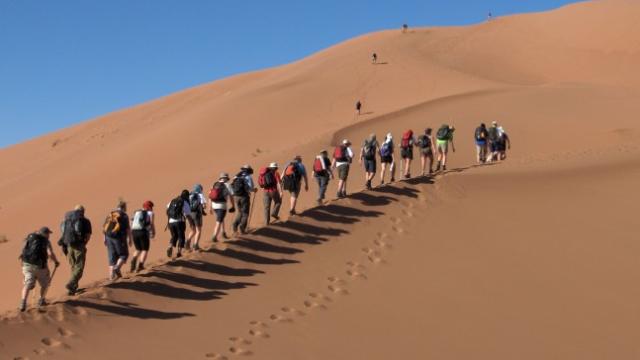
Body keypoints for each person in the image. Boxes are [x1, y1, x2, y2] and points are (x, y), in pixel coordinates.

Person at [18, 227, 59, 312]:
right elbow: (50, 253)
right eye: (48, 234)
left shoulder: (29, 238)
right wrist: (56, 262)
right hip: (40, 267)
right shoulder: (46, 241)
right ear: (45, 234)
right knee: (45, 284)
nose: (49, 236)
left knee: (27, 284)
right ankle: (41, 300)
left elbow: (23, 251)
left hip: (27, 265)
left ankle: (23, 302)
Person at [58, 205, 92, 295]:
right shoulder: (85, 221)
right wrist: (84, 244)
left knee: (74, 267)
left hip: (68, 246)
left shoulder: (67, 220)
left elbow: (63, 233)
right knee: (79, 267)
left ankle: (72, 289)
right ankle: (71, 283)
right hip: (79, 246)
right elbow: (88, 235)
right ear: (83, 211)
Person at [103, 201, 132, 280]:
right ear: (124, 207)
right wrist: (130, 239)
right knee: (123, 255)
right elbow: (128, 229)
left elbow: (105, 227)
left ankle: (111, 277)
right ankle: (117, 267)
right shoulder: (124, 216)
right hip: (119, 238)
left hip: (109, 237)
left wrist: (104, 238)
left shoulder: (111, 214)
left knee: (112, 257)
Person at [130, 201, 155, 272]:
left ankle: (133, 259)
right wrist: (153, 232)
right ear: (149, 207)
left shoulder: (136, 212)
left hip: (134, 232)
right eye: (151, 206)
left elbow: (131, 222)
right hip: (143, 232)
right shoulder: (149, 214)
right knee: (145, 249)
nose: (152, 208)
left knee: (138, 249)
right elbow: (151, 224)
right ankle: (140, 265)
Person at [209, 173, 236, 243]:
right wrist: (233, 206)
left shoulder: (215, 184)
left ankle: (223, 233)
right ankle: (214, 236)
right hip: (222, 206)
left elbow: (210, 196)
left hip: (214, 205)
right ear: (227, 178)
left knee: (221, 219)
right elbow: (231, 196)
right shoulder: (228, 185)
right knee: (218, 221)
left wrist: (210, 207)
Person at [231, 165, 257, 235]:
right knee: (245, 213)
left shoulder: (237, 176)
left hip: (236, 197)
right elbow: (251, 188)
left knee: (239, 212)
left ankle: (235, 226)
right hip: (244, 197)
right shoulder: (248, 177)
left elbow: (232, 185)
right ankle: (242, 228)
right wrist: (254, 190)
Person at [166, 190, 191, 259]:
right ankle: (179, 252)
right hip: (179, 222)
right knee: (181, 237)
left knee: (174, 236)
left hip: (171, 222)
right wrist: (191, 222)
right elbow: (188, 214)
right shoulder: (184, 202)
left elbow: (167, 208)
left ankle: (170, 246)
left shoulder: (173, 200)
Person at [186, 184, 207, 251]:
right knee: (198, 230)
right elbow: (204, 205)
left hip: (189, 215)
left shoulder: (189, 194)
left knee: (193, 230)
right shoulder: (200, 195)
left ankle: (187, 242)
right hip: (197, 214)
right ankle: (196, 245)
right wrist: (202, 207)